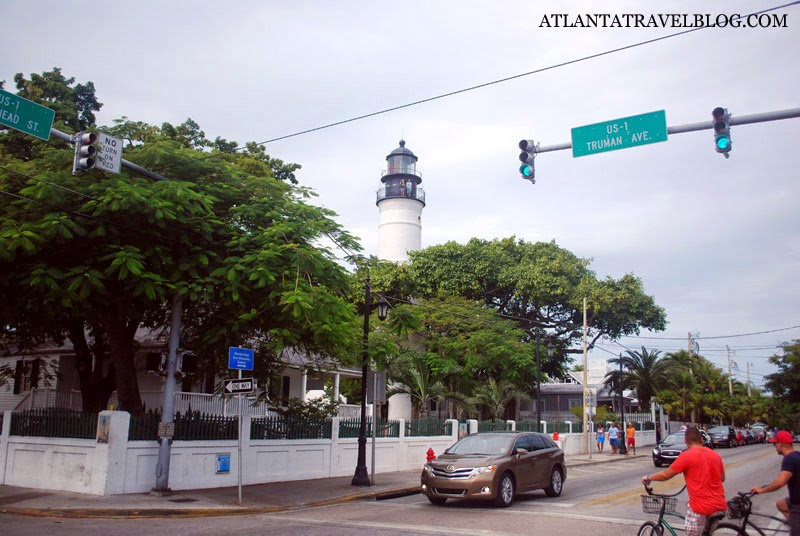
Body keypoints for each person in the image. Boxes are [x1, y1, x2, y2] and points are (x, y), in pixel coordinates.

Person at [642, 426, 726, 536]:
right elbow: (722, 478)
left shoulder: (687, 456)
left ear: (686, 441)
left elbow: (666, 475)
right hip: (719, 506)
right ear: (701, 439)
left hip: (700, 507)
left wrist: (649, 478)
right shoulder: (715, 455)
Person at [751, 430, 800, 535]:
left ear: (781, 444)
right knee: (781, 504)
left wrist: (761, 490)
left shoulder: (789, 459)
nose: (774, 447)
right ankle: (794, 525)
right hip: (794, 499)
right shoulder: (797, 455)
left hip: (798, 504)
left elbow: (779, 482)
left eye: (775, 444)